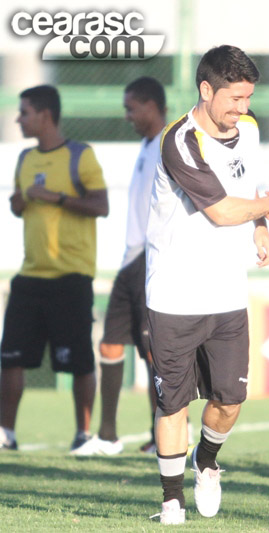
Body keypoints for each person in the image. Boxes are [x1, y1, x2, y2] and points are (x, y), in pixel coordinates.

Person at [146, 45, 269, 525]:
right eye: (234, 99)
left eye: (247, 99)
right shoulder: (179, 142)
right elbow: (222, 212)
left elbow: (251, 188)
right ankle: (171, 503)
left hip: (227, 295)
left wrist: (262, 224)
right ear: (206, 90)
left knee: (230, 400)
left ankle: (207, 461)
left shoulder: (250, 129)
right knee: (173, 403)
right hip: (174, 297)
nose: (242, 109)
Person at [0, 85, 109, 452]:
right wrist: (19, 201)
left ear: (44, 115)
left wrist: (57, 197)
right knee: (11, 357)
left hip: (71, 276)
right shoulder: (25, 158)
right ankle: (6, 433)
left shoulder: (81, 155)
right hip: (30, 275)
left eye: (24, 112)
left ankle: (83, 434)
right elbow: (20, 206)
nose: (19, 118)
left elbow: (101, 205)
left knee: (79, 360)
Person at [71, 76, 166, 456]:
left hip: (152, 258)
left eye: (131, 108)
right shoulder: (146, 147)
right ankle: (108, 436)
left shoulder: (167, 143)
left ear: (150, 105)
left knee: (153, 351)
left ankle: (166, 433)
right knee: (110, 345)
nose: (127, 115)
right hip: (130, 262)